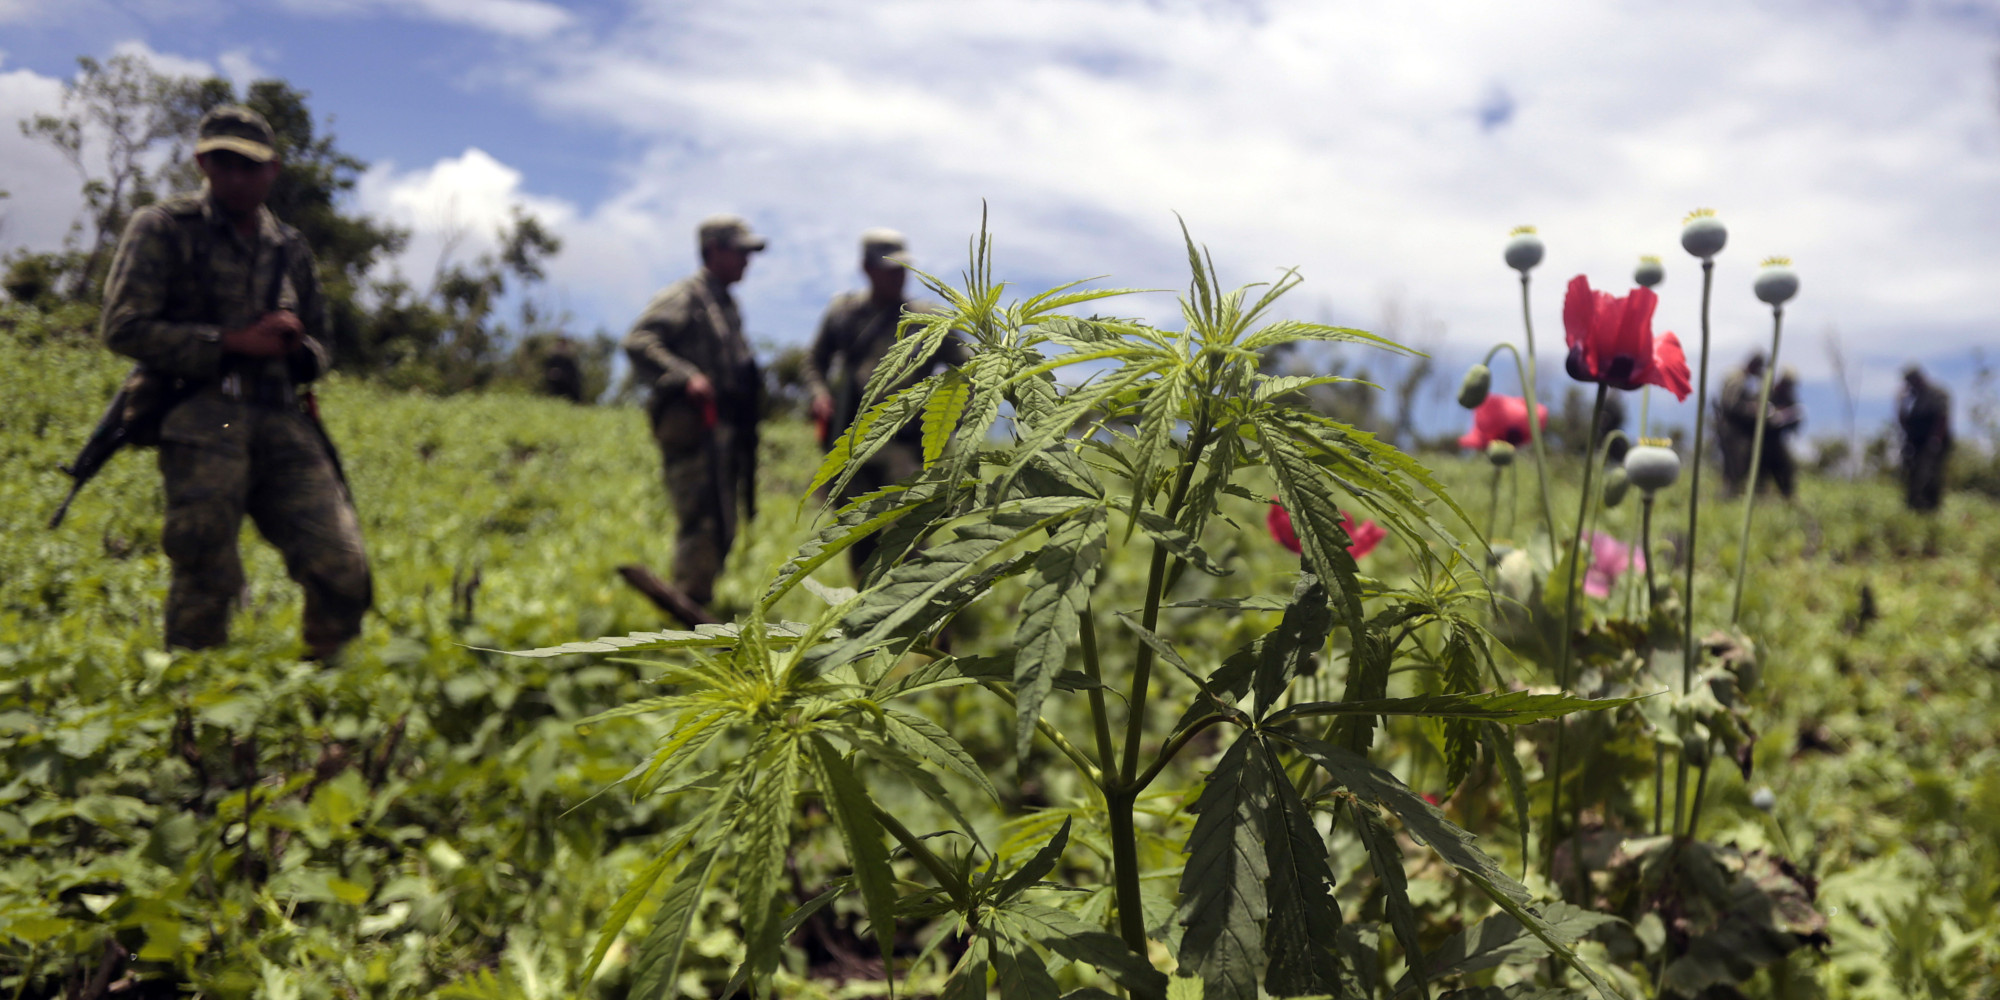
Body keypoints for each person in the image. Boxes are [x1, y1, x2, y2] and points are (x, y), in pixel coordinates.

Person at [100, 105, 371, 660]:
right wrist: (230, 342)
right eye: (224, 162)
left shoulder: (289, 248)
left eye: (250, 166)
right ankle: (194, 708)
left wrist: (297, 347)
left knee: (342, 565)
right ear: (202, 162)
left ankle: (328, 700)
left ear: (272, 169)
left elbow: (324, 348)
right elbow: (123, 327)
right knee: (205, 566)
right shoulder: (164, 228)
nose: (237, 176)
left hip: (280, 417)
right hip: (205, 413)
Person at [804, 229, 968, 572]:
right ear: (867, 269)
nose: (899, 276)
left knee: (909, 535)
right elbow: (814, 361)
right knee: (857, 534)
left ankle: (916, 614)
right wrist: (820, 396)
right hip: (853, 447)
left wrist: (951, 417)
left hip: (906, 447)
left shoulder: (928, 317)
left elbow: (969, 366)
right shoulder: (844, 313)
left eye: (902, 268)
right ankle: (865, 612)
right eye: (890, 268)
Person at [623, 214, 766, 606]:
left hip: (723, 432)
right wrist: (687, 376)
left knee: (722, 522)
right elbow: (639, 341)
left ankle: (696, 605)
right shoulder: (686, 295)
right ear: (714, 251)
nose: (746, 261)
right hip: (691, 428)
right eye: (739, 252)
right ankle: (687, 610)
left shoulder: (726, 305)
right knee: (700, 520)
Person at [1897, 365, 1952, 512]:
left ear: (1919, 378)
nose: (1910, 384)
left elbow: (1942, 418)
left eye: (1912, 380)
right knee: (1912, 473)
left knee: (1930, 474)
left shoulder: (1937, 394)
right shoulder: (1911, 399)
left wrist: (1935, 440)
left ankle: (1931, 508)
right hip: (1916, 444)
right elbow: (1904, 422)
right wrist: (1901, 403)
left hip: (1933, 443)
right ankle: (1913, 506)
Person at [541, 334, 583, 402]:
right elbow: (546, 372)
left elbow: (574, 378)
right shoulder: (552, 360)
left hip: (569, 389)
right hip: (555, 388)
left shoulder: (570, 361)